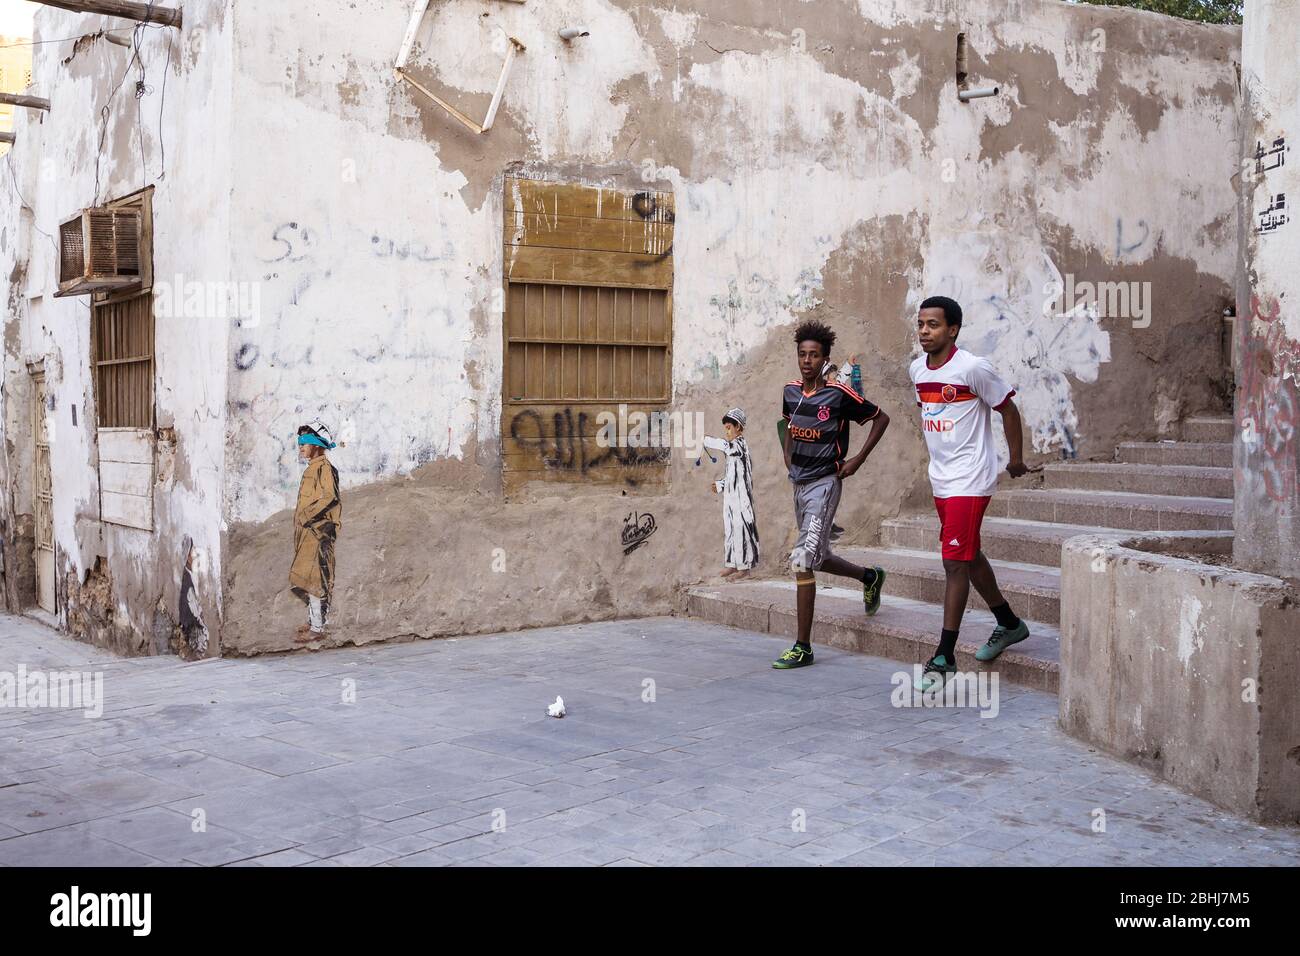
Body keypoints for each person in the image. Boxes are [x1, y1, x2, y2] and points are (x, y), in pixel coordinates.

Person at [910, 296, 1032, 691]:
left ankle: (944, 656)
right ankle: (1009, 623)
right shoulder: (917, 370)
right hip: (941, 480)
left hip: (971, 479)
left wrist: (1015, 460)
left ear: (953, 330)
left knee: (953, 563)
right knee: (968, 554)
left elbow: (1008, 409)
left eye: (933, 325)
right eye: (921, 325)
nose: (925, 332)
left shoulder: (973, 368)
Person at [774, 320, 890, 669]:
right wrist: (787, 457)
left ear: (825, 358)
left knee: (802, 560)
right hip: (800, 484)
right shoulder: (791, 391)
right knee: (819, 556)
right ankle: (870, 577)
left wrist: (857, 459)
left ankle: (802, 646)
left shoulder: (838, 395)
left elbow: (880, 418)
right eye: (802, 354)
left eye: (814, 355)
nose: (806, 360)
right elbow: (786, 424)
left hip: (826, 484)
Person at [290, 419, 341, 643]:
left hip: (318, 530)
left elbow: (329, 497)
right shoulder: (313, 468)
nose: (301, 446)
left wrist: (307, 515)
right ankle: (313, 621)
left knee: (315, 580)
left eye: (305, 442)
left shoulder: (325, 468)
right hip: (308, 531)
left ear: (317, 445)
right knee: (307, 577)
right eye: (299, 442)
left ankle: (318, 628)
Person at [703, 408, 759, 578]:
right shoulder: (732, 452)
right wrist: (720, 484)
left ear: (739, 428)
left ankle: (744, 567)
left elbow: (725, 446)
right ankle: (732, 564)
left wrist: (704, 440)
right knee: (730, 529)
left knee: (742, 529)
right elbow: (731, 476)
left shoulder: (739, 445)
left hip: (741, 497)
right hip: (731, 495)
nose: (727, 432)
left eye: (729, 428)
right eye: (725, 428)